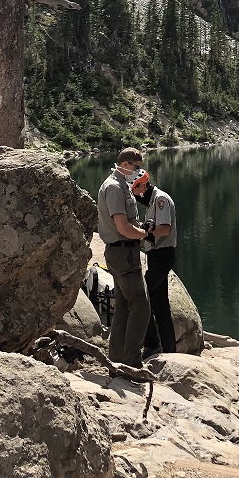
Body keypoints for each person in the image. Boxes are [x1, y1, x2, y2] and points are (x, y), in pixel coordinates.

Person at [96, 148, 150, 368]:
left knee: (124, 307)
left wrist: (141, 228)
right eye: (137, 167)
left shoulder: (121, 186)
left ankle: (117, 358)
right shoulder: (115, 188)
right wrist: (146, 235)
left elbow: (129, 224)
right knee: (141, 305)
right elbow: (123, 227)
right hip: (123, 253)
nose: (139, 172)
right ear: (126, 164)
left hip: (123, 252)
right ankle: (132, 361)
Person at [132, 168, 177, 359]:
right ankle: (170, 350)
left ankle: (152, 344)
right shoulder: (151, 200)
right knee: (160, 305)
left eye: (133, 188)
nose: (133, 193)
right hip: (156, 255)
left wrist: (146, 234)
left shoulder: (160, 200)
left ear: (142, 185)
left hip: (162, 255)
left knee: (143, 298)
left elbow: (164, 229)